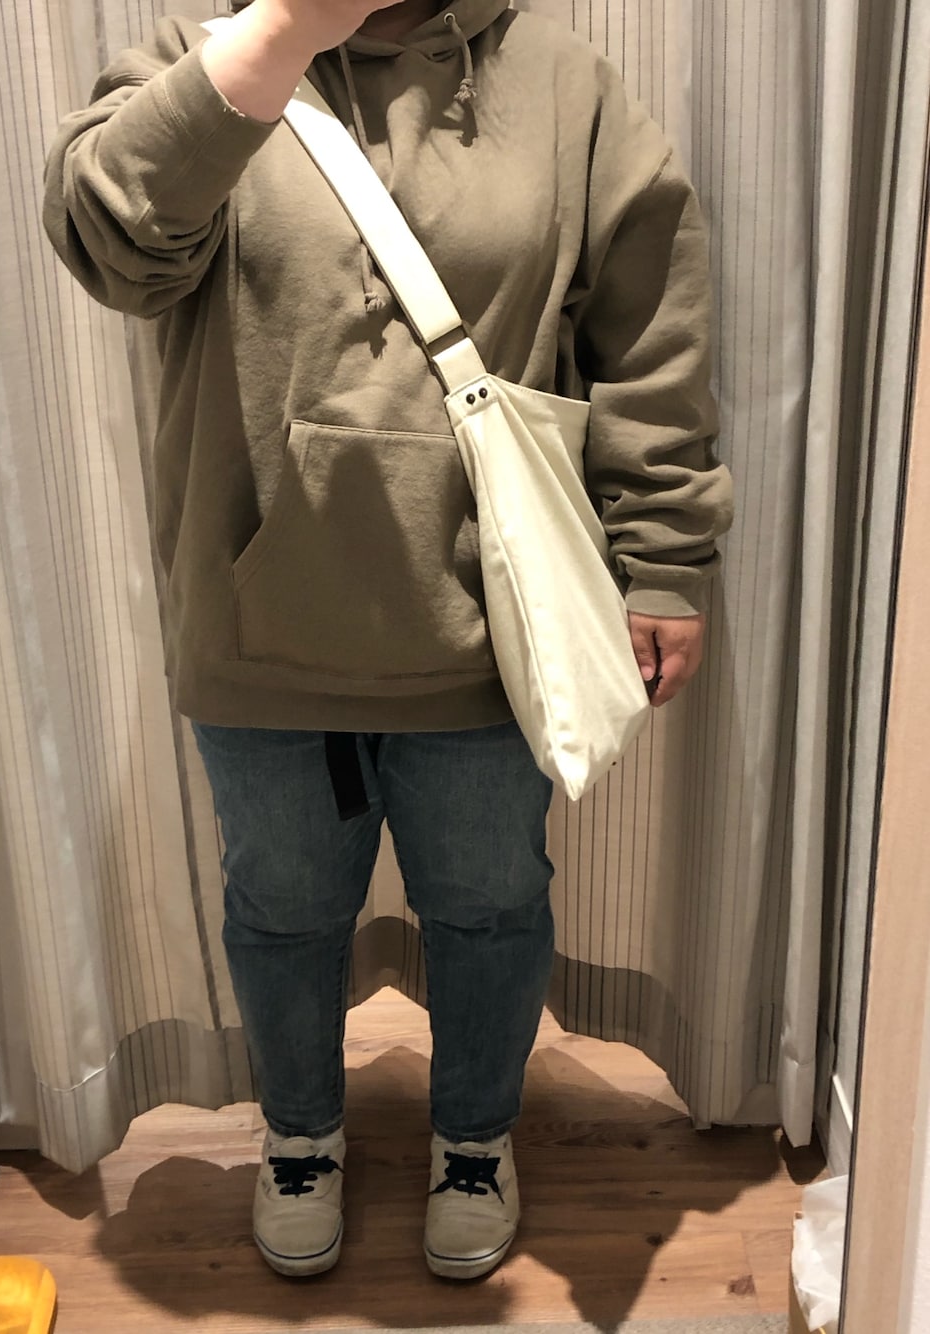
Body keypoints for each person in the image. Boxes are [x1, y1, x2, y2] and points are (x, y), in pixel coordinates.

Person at [43, 0, 732, 1283]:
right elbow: (112, 246)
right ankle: (301, 1132)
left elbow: (651, 344)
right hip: (259, 627)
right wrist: (285, 27)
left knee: (489, 905)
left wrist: (666, 558)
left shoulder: (563, 87)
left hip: (486, 628)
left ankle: (473, 1135)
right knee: (282, 909)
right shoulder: (207, 56)